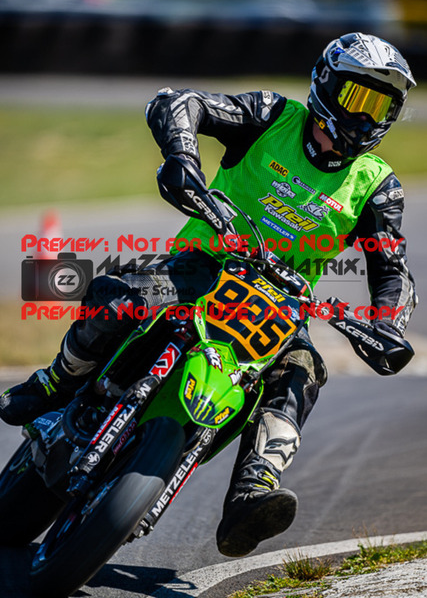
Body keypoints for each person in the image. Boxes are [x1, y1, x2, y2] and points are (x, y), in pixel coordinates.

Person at [0, 32, 417, 557]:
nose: (363, 116)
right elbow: (179, 102)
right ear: (326, 85)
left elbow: (392, 267)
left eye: (380, 106)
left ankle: (251, 493)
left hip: (281, 308)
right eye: (357, 97)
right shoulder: (273, 116)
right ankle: (56, 381)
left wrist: (387, 325)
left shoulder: (378, 186)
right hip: (203, 265)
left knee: (304, 370)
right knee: (121, 297)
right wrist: (183, 158)